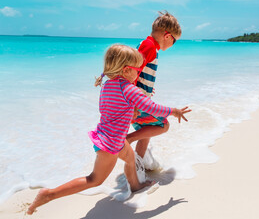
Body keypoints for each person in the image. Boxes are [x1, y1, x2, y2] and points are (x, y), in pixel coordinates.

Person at [27, 44, 191, 215]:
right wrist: (174, 111)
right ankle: (48, 195)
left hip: (109, 137)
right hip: (111, 144)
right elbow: (152, 108)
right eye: (138, 69)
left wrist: (130, 113)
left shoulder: (107, 85)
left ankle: (135, 185)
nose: (139, 73)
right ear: (127, 70)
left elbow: (108, 109)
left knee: (129, 159)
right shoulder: (128, 88)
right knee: (94, 179)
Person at [126, 11, 182, 163]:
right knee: (163, 125)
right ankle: (127, 140)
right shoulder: (149, 47)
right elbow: (132, 71)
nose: (173, 44)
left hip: (139, 97)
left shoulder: (148, 45)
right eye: (174, 41)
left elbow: (139, 72)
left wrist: (146, 86)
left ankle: (139, 168)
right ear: (167, 36)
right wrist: (133, 105)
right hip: (137, 101)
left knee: (146, 133)